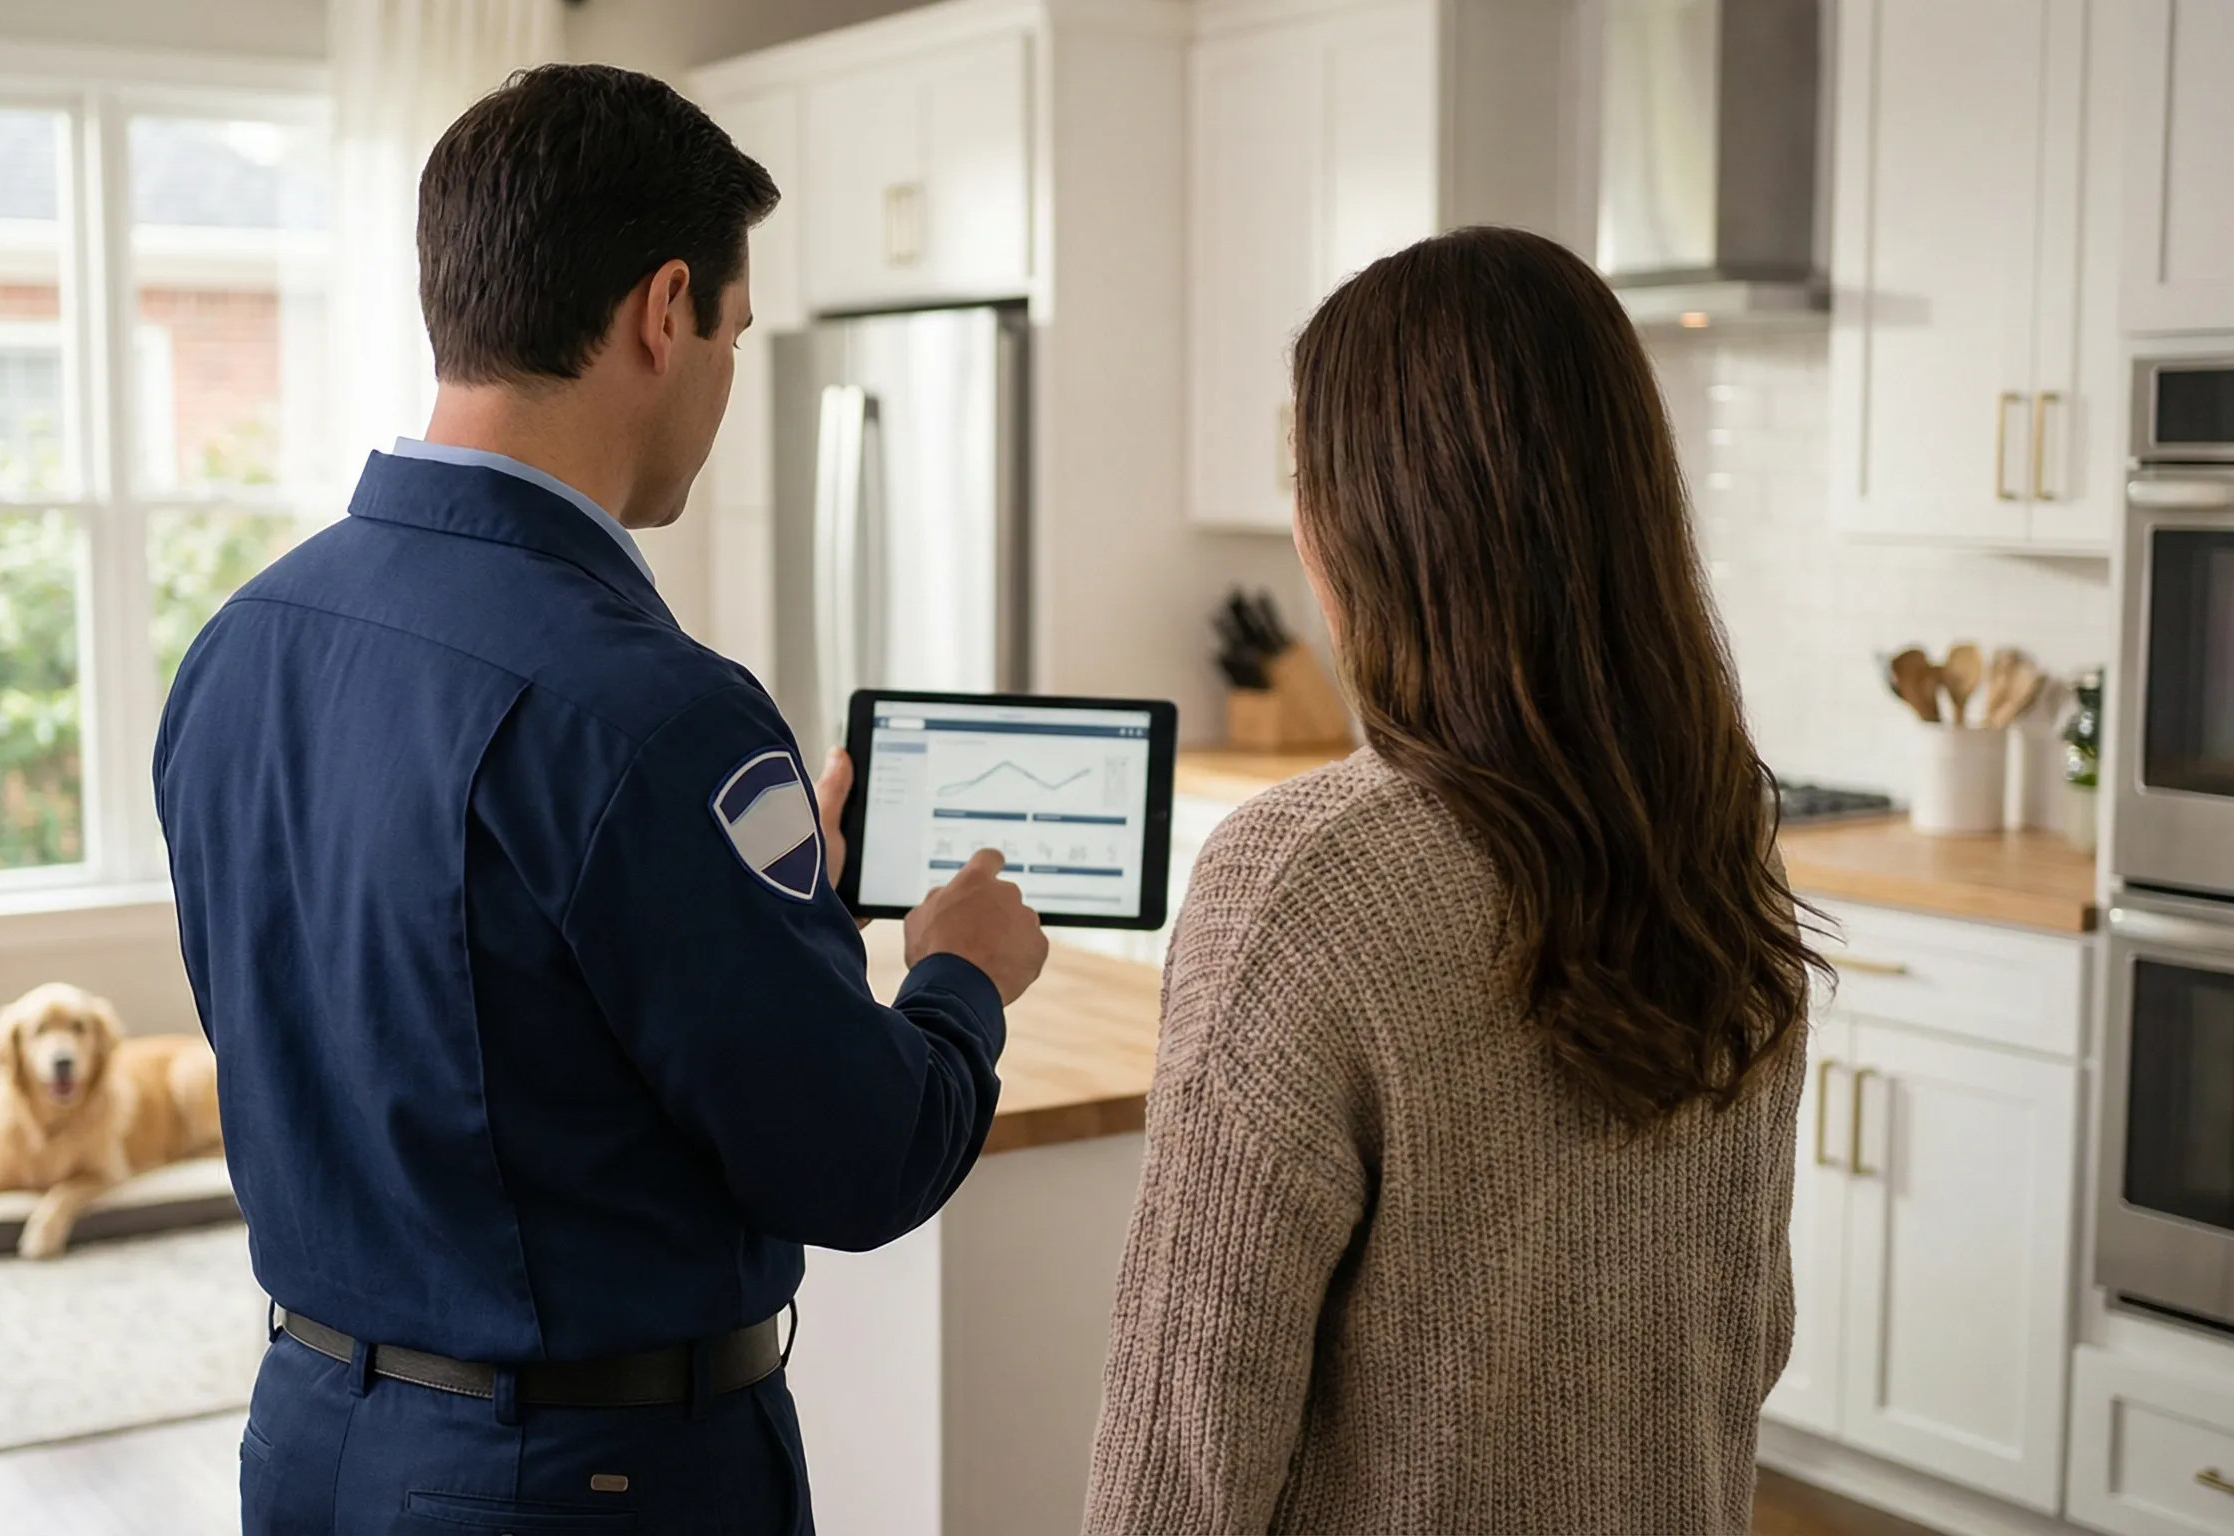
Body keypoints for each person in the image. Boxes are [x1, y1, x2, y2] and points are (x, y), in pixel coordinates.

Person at [155, 64, 1049, 1535]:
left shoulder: (246, 640)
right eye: (739, 336)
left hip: (307, 1443)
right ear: (663, 306)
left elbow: (467, 1013)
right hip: (580, 1483)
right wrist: (962, 971)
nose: (726, 376)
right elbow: (865, 1157)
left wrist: (774, 909)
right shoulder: (658, 713)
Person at [1081, 226, 1825, 1534]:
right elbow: (1748, 1337)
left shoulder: (1301, 883)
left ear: (1356, 528)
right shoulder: (1716, 839)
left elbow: (1185, 1452)